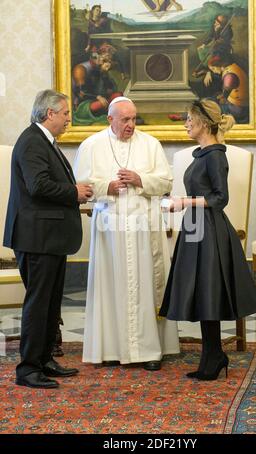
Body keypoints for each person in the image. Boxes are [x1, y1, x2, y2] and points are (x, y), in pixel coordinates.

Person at [159, 99, 256, 380]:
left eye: (189, 119)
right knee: (203, 292)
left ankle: (214, 356)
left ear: (203, 123)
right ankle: (213, 355)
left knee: (208, 291)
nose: (185, 124)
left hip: (209, 229)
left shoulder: (216, 155)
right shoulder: (202, 154)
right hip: (195, 226)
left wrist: (183, 201)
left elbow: (220, 198)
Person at [74, 96, 180, 371]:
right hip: (109, 229)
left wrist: (140, 179)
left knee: (145, 284)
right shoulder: (91, 145)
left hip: (144, 228)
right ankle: (111, 348)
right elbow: (79, 185)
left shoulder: (150, 144)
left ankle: (148, 351)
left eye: (133, 119)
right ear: (110, 119)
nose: (131, 124)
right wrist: (106, 186)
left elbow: (167, 182)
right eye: (125, 119)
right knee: (110, 285)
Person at [3, 89, 94, 388]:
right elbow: (38, 185)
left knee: (51, 304)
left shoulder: (45, 141)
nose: (70, 118)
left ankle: (44, 360)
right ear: (49, 113)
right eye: (66, 113)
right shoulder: (31, 141)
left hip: (49, 237)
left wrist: (74, 190)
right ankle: (28, 369)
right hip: (36, 237)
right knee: (39, 304)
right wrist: (74, 192)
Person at [206, 55, 249, 123]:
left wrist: (220, 98)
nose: (214, 72)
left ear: (219, 65)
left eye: (213, 69)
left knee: (209, 106)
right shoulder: (233, 67)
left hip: (238, 109)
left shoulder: (229, 75)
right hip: (240, 105)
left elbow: (225, 94)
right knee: (210, 100)